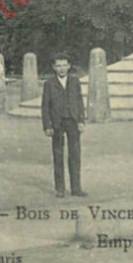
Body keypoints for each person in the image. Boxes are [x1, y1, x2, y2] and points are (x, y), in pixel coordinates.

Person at [41, 53, 86, 198]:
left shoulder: (75, 81)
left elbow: (79, 102)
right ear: (54, 67)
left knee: (75, 155)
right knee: (58, 154)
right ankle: (60, 188)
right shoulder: (49, 83)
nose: (61, 68)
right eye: (58, 65)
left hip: (72, 121)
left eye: (64, 65)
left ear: (69, 66)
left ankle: (76, 188)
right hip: (57, 123)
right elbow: (45, 106)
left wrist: (81, 121)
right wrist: (47, 125)